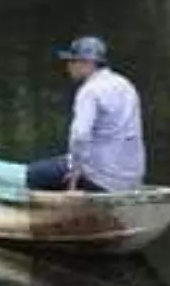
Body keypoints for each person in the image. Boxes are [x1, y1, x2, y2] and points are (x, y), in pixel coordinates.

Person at [26, 35, 145, 192]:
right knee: (60, 163)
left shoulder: (90, 91)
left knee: (33, 174)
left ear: (88, 63)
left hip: (101, 178)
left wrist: (75, 171)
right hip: (132, 176)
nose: (68, 66)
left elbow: (80, 135)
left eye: (73, 61)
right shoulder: (125, 85)